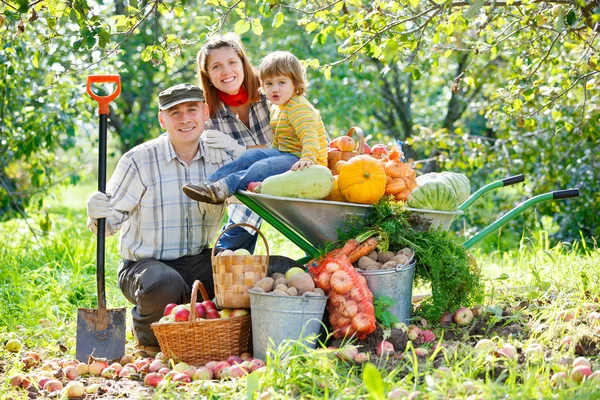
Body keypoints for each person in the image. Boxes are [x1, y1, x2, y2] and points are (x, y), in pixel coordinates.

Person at [85, 83, 231, 353]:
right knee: (165, 283)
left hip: (198, 259)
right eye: (175, 113)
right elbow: (107, 226)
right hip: (145, 267)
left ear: (205, 112)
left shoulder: (220, 158)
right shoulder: (139, 161)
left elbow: (247, 200)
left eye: (192, 110)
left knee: (239, 277)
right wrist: (97, 213)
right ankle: (149, 338)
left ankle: (204, 330)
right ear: (162, 119)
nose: (185, 118)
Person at [182, 50, 328, 205]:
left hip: (305, 162)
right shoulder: (278, 107)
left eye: (282, 82)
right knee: (249, 156)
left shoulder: (299, 108)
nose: (274, 89)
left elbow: (310, 137)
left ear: (296, 83)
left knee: (263, 166)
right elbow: (278, 139)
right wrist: (269, 153)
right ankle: (208, 183)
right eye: (269, 84)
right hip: (285, 153)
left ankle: (224, 187)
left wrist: (308, 158)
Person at [189, 33, 274, 254]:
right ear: (207, 75)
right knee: (250, 194)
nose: (226, 71)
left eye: (232, 62)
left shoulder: (270, 93)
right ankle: (227, 259)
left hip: (293, 171)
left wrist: (241, 150)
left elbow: (291, 145)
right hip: (248, 191)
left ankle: (226, 251)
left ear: (243, 64)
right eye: (216, 67)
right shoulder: (208, 115)